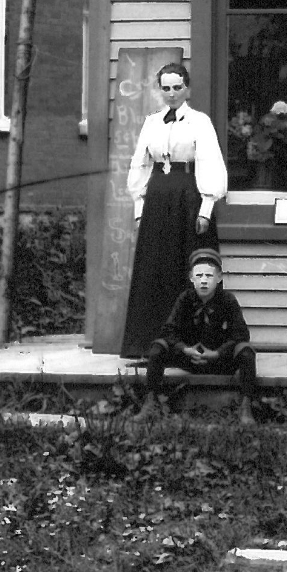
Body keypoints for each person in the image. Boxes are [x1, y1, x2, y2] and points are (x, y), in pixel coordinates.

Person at [120, 60, 228, 359]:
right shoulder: (152, 122)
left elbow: (210, 161)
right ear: (160, 90)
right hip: (157, 197)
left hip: (188, 197)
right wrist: (139, 208)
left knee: (186, 265)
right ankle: (149, 345)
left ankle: (192, 347)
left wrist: (206, 208)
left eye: (177, 87)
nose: (171, 94)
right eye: (165, 88)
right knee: (154, 267)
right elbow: (140, 163)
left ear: (186, 88)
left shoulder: (199, 122)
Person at [143, 247, 259, 409]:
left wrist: (217, 353)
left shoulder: (227, 300)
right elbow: (168, 330)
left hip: (220, 360)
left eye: (209, 275)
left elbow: (241, 334)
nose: (204, 280)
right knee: (158, 347)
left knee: (246, 351)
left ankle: (246, 405)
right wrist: (184, 349)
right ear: (191, 278)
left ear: (219, 278)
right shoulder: (185, 299)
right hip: (189, 358)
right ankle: (150, 402)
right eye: (199, 275)